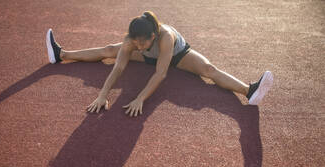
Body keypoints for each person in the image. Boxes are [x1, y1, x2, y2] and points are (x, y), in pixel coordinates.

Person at [46, 11, 273, 117]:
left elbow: (160, 73)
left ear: (152, 36)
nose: (137, 44)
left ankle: (249, 91)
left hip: (177, 55)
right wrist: (103, 94)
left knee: (208, 70)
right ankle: (61, 54)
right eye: (134, 41)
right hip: (151, 57)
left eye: (141, 42)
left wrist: (139, 98)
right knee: (109, 51)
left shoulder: (165, 37)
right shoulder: (134, 40)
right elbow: (119, 67)